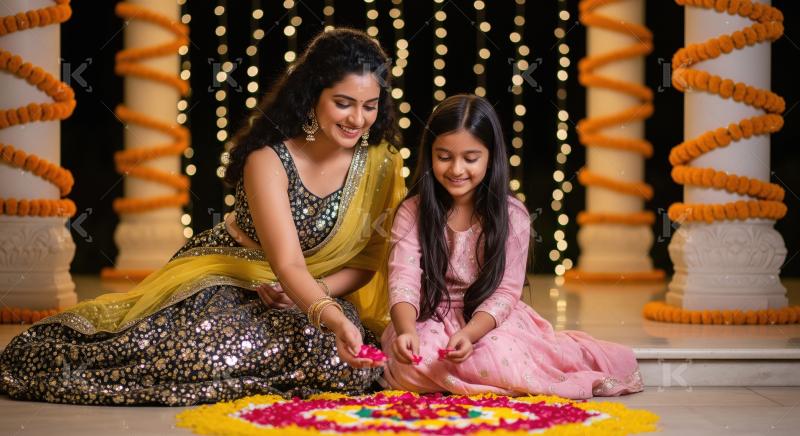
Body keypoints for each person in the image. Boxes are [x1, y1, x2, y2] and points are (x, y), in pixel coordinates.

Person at [0, 28, 404, 406]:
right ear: (314, 94)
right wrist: (328, 315)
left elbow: (366, 262)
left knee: (342, 363)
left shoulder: (380, 165)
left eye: (370, 106)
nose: (358, 119)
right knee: (201, 346)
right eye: (343, 103)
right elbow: (287, 264)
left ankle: (253, 370)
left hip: (314, 292)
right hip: (232, 276)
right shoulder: (268, 160)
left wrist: (315, 294)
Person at [381, 95, 643, 399]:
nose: (456, 169)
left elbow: (505, 292)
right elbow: (403, 280)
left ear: (491, 157)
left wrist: (469, 334)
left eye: (470, 157)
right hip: (429, 316)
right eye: (444, 156)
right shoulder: (413, 211)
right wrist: (406, 331)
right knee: (413, 364)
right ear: (429, 156)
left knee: (496, 355)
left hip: (487, 319)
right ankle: (479, 382)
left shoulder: (512, 214)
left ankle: (475, 378)